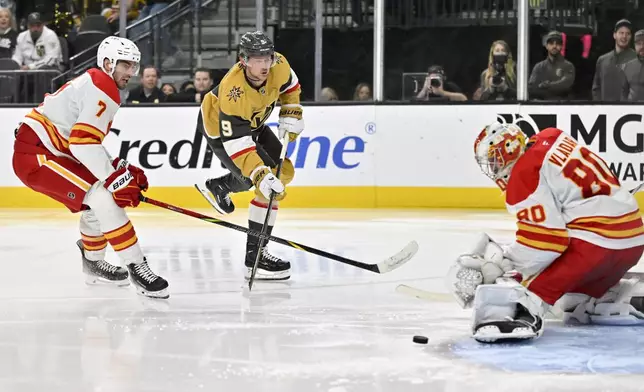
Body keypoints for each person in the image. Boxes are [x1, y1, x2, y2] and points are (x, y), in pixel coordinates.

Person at [448, 122, 644, 344]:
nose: (493, 169)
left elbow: (547, 242)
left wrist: (508, 265)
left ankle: (519, 315)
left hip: (596, 246)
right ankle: (610, 297)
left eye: (494, 160)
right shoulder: (552, 137)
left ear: (509, 148)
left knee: (529, 290)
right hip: (632, 241)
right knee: (571, 300)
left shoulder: (524, 175)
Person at [11, 36, 169, 299]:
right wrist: (115, 179)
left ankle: (93, 262)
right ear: (108, 63)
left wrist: (117, 167)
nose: (131, 72)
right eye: (125, 65)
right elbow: (82, 145)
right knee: (103, 197)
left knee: (96, 200)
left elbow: (85, 142)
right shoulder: (103, 87)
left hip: (50, 151)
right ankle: (137, 266)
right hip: (38, 156)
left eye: (134, 66)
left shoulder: (96, 81)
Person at [196, 31, 302, 281]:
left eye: (267, 57)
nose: (265, 64)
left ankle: (219, 185)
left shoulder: (279, 63)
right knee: (260, 181)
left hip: (255, 123)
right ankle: (255, 257)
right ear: (244, 60)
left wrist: (291, 111)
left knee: (283, 173)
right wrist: (260, 174)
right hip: (221, 130)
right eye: (257, 59)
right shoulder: (233, 91)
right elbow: (239, 145)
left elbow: (291, 86)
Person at [592, 19, 636, 101]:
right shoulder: (602, 60)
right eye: (621, 33)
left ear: (631, 37)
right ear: (614, 35)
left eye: (628, 33)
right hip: (605, 110)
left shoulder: (637, 59)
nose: (624, 36)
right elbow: (596, 87)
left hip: (629, 110)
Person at [528, 31, 576, 100]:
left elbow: (566, 85)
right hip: (542, 106)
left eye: (558, 43)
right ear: (546, 46)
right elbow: (531, 88)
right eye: (551, 43)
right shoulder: (539, 66)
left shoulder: (568, 66)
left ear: (562, 46)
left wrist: (545, 85)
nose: (554, 46)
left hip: (563, 107)